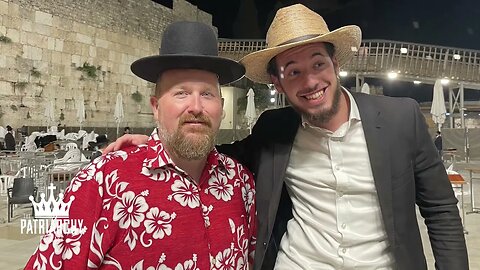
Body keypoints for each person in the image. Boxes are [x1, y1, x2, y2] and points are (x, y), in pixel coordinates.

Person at [105, 4, 468, 270]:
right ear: (278, 83)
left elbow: (440, 209)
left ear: (336, 65)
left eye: (318, 64)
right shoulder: (274, 128)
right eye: (293, 72)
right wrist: (157, 142)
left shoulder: (401, 118)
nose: (310, 82)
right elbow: (217, 154)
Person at [25, 21, 256, 270]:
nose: (196, 107)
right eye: (181, 93)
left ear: (221, 108)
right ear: (155, 108)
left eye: (207, 94)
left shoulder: (239, 182)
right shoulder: (103, 180)